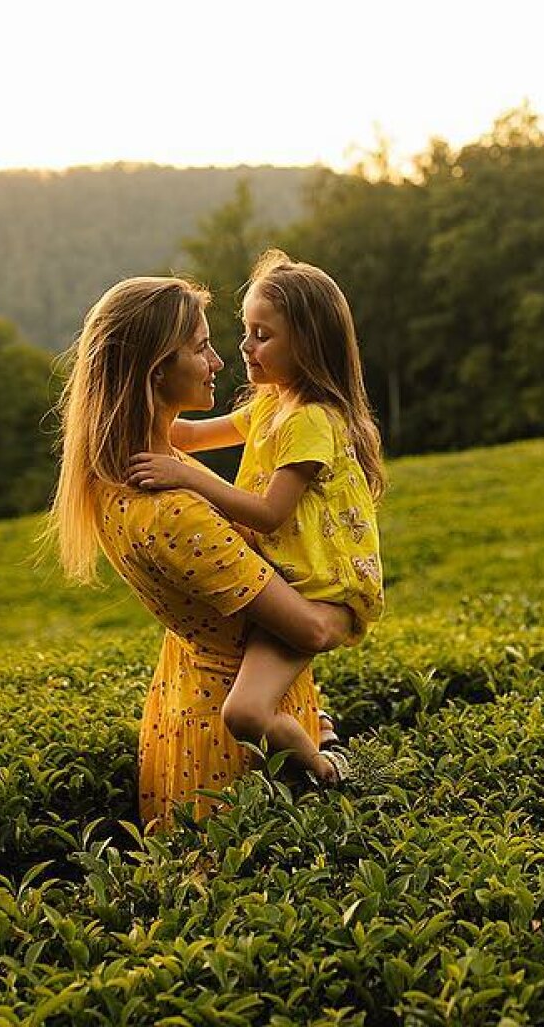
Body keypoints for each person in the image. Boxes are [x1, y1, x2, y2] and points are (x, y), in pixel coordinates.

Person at [45, 275, 355, 833]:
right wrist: (349, 609)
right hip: (234, 739)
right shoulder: (170, 507)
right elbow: (306, 631)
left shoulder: (124, 470)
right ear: (156, 369)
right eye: (199, 347)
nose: (218, 361)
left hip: (191, 702)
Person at [128, 249, 385, 788]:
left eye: (262, 335)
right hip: (292, 583)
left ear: (308, 343)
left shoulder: (312, 421)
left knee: (245, 715)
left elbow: (270, 515)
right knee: (248, 706)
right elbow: (193, 435)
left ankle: (325, 761)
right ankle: (319, 725)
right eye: (245, 330)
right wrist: (126, 415)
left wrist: (191, 478)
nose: (243, 347)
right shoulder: (271, 404)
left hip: (321, 594)